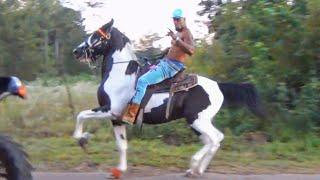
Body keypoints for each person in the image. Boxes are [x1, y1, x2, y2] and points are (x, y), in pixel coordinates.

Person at [122, 8, 195, 125]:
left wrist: (176, 39)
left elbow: (191, 50)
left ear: (184, 19)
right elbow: (177, 48)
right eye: (174, 20)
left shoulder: (187, 33)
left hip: (171, 67)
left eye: (178, 19)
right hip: (166, 62)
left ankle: (131, 115)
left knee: (142, 81)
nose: (175, 22)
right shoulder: (178, 33)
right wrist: (168, 50)